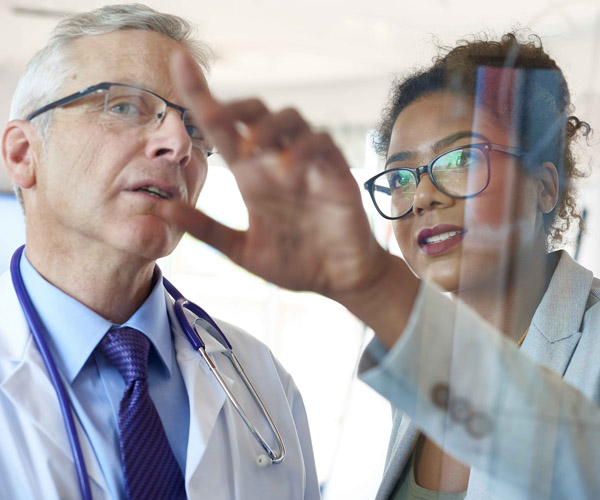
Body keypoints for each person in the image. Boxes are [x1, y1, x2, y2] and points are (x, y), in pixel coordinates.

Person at [159, 33, 600, 499]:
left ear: (545, 188)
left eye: (461, 158)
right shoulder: (418, 375)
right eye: (401, 176)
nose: (424, 195)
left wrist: (372, 281)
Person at [0, 4, 319, 500]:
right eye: (124, 106)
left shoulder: (260, 380)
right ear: (23, 154)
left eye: (196, 128)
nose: (178, 144)